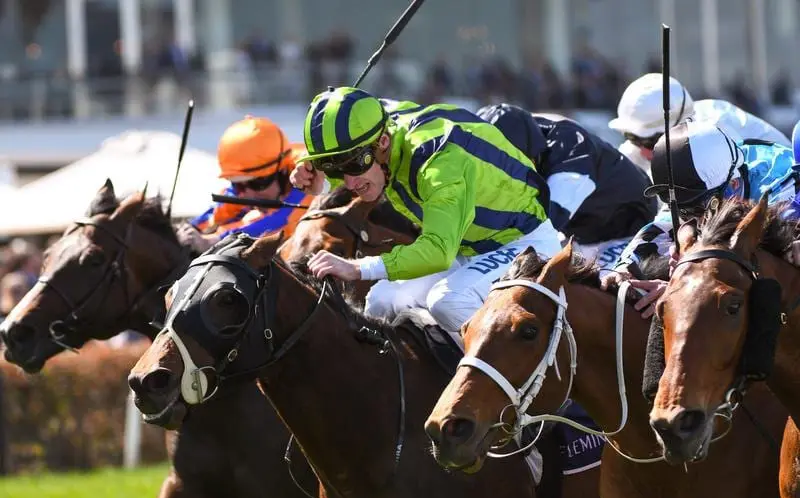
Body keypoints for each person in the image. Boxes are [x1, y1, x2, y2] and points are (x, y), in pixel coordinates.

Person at [290, 86, 563, 336]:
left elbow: (437, 253)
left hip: (523, 243)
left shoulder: (437, 163)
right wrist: (319, 174)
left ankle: (513, 386)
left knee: (448, 302)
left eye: (353, 164)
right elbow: (353, 128)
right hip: (467, 249)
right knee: (380, 301)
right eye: (336, 168)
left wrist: (357, 268)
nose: (348, 182)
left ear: (383, 142)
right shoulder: (380, 126)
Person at [600, 120, 800, 317]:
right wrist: (622, 268)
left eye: (698, 207)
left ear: (735, 184)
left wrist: (681, 286)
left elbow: (755, 267)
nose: (694, 218)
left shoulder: (780, 189)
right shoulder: (699, 191)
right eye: (682, 210)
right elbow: (659, 228)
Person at [477, 103, 656, 268]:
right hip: (579, 230)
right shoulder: (526, 134)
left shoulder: (573, 153)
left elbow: (544, 226)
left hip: (626, 233)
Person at [176, 116, 313, 253]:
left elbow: (281, 221)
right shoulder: (248, 185)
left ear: (282, 170)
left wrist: (212, 241)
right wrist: (191, 228)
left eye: (257, 183)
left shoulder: (309, 180)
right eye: (238, 185)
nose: (247, 194)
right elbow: (219, 211)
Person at [608, 73, 790, 176]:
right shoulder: (645, 144)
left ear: (681, 127)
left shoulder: (718, 136)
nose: (644, 151)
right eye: (633, 138)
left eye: (651, 142)